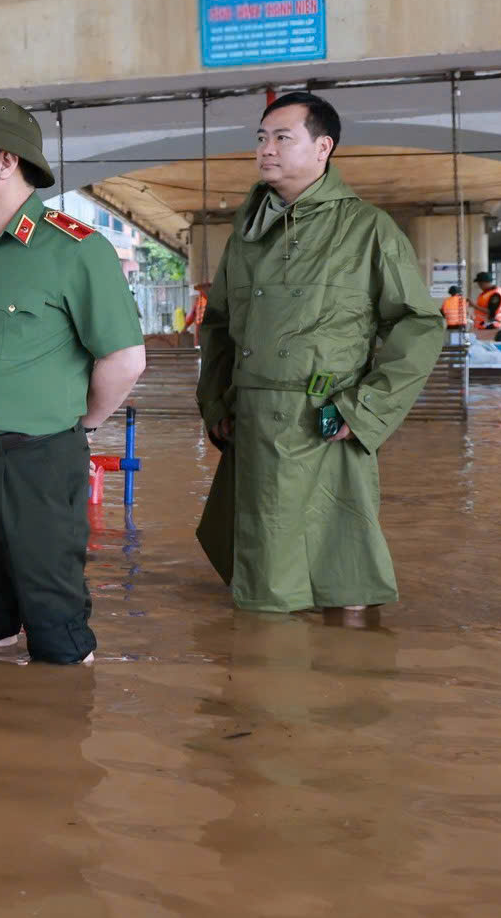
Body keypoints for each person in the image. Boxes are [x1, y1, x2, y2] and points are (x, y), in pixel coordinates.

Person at [195, 92, 442, 622]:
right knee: (263, 581)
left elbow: (418, 325)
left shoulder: (367, 230)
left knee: (342, 584)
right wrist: (216, 405)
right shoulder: (246, 233)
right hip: (253, 426)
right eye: (261, 138)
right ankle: (272, 687)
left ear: (323, 147)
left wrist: (364, 409)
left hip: (327, 422)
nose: (266, 149)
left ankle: (336, 685)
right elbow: (217, 326)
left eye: (282, 138)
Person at [0, 99, 145, 662]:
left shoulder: (75, 249)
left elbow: (124, 360)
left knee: (55, 627)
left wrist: (79, 425)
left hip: (37, 467)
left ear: (6, 162)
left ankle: (63, 738)